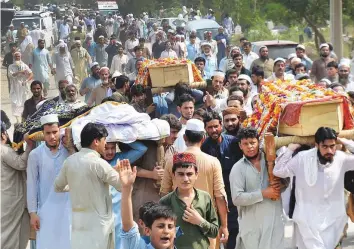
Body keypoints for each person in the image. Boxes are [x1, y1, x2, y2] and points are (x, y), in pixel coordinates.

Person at [274, 127, 354, 249]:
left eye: (332, 146)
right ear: (316, 145)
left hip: (333, 220)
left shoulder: (341, 158)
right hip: (308, 220)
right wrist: (290, 150)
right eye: (325, 147)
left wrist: (344, 141)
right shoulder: (302, 158)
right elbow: (278, 170)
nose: (329, 151)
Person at [54, 123, 122, 249]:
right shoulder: (99, 163)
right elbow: (122, 186)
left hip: (78, 225)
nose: (105, 144)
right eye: (104, 140)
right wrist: (121, 172)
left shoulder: (69, 161)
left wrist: (74, 186)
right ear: (96, 141)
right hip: (99, 228)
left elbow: (57, 187)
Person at [230, 127, 284, 249]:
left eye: (252, 143)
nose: (249, 146)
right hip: (252, 226)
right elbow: (237, 198)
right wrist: (263, 193)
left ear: (258, 142)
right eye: (245, 144)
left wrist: (281, 184)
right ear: (240, 146)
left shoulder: (272, 159)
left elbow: (286, 180)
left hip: (274, 222)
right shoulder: (237, 169)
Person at [27, 114, 71, 249]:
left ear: (60, 130)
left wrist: (71, 147)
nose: (52, 136)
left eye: (55, 132)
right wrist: (33, 213)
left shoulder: (69, 151)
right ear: (43, 134)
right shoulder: (35, 155)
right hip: (45, 210)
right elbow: (32, 185)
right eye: (48, 133)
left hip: (68, 209)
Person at [201, 111, 243, 249]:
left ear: (221, 125)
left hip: (232, 199)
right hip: (213, 200)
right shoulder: (204, 147)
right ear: (205, 129)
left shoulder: (233, 143)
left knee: (233, 234)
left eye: (216, 126)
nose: (214, 130)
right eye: (210, 128)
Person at [160, 152, 219, 249]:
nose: (185, 179)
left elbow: (214, 232)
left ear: (196, 175)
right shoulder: (166, 201)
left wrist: (200, 221)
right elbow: (159, 235)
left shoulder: (205, 198)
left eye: (189, 174)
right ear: (174, 175)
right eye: (181, 174)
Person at [118, 159, 177, 249]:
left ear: (175, 233)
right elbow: (128, 226)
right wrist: (126, 188)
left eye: (170, 227)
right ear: (147, 231)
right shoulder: (140, 246)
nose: (166, 231)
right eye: (160, 226)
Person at [1, 123, 34, 249]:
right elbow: (20, 164)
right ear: (3, 134)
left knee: (17, 233)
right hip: (11, 200)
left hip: (9, 199)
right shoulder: (3, 149)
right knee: (9, 236)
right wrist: (29, 147)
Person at [8, 52, 33, 123]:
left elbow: (31, 74)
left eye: (18, 56)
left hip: (23, 86)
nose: (17, 58)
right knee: (15, 102)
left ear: (20, 57)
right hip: (15, 87)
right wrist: (20, 72)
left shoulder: (24, 65)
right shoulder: (11, 66)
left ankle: (23, 118)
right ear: (14, 57)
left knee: (24, 102)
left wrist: (27, 80)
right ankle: (17, 119)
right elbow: (11, 75)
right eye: (16, 56)